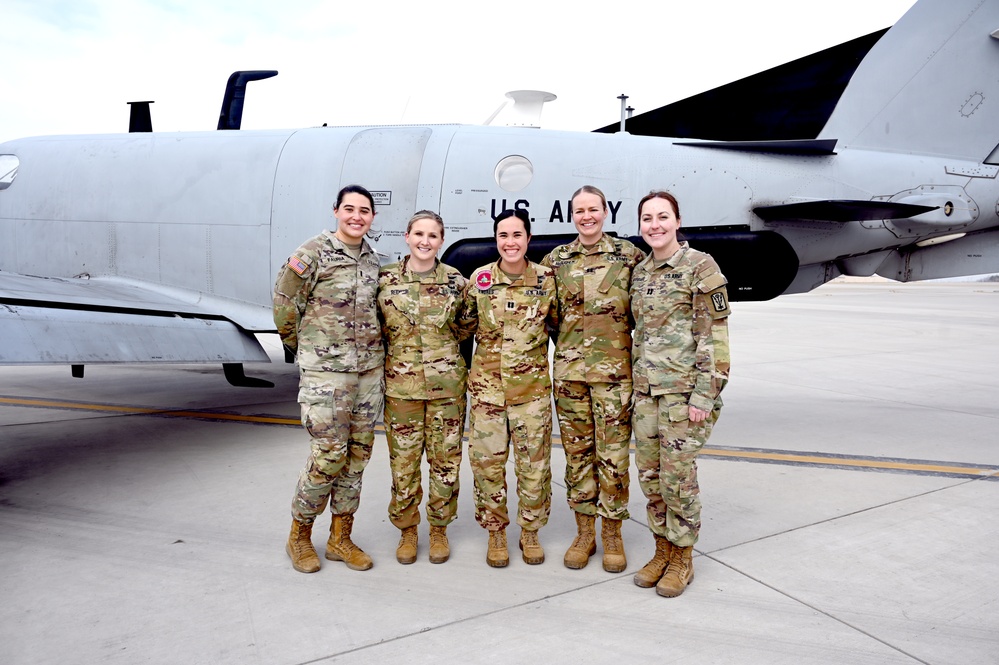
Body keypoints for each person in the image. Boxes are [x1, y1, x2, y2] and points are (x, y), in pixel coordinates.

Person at [274, 184, 384, 574]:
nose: (357, 216)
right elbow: (285, 306)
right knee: (328, 454)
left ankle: (340, 538)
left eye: (365, 211)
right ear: (336, 210)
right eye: (350, 209)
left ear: (372, 217)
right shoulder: (312, 253)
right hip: (326, 375)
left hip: (368, 373)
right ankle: (300, 536)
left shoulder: (374, 261)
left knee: (357, 457)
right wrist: (306, 350)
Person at [629, 190, 731, 597]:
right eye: (647, 218)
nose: (654, 225)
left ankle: (683, 558)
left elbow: (715, 339)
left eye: (662, 217)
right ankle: (661, 550)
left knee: (678, 481)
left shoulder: (700, 267)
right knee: (651, 479)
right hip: (646, 395)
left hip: (684, 397)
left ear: (677, 220)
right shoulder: (640, 271)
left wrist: (704, 397)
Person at [542, 185, 645, 572]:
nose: (586, 217)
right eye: (579, 211)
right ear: (572, 216)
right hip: (570, 376)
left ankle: (613, 533)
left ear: (605, 212)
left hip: (614, 377)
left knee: (614, 458)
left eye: (593, 209)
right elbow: (552, 317)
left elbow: (639, 311)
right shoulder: (556, 260)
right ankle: (585, 532)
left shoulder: (629, 256)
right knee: (578, 457)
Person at [462, 208, 559, 567]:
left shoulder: (547, 280)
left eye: (517, 235)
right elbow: (463, 327)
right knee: (488, 465)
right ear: (496, 239)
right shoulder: (481, 279)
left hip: (530, 393)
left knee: (534, 466)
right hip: (488, 393)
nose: (510, 242)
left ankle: (530, 531)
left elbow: (559, 325)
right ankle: (496, 532)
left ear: (528, 239)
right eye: (503, 236)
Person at [378, 210, 471, 565]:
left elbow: (465, 327)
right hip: (401, 391)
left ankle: (438, 529)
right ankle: (407, 530)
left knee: (445, 463)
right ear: (407, 236)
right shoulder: (385, 280)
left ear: (441, 240)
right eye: (419, 234)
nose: (425, 241)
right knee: (403, 464)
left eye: (433, 236)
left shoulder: (455, 281)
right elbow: (377, 330)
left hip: (446, 390)